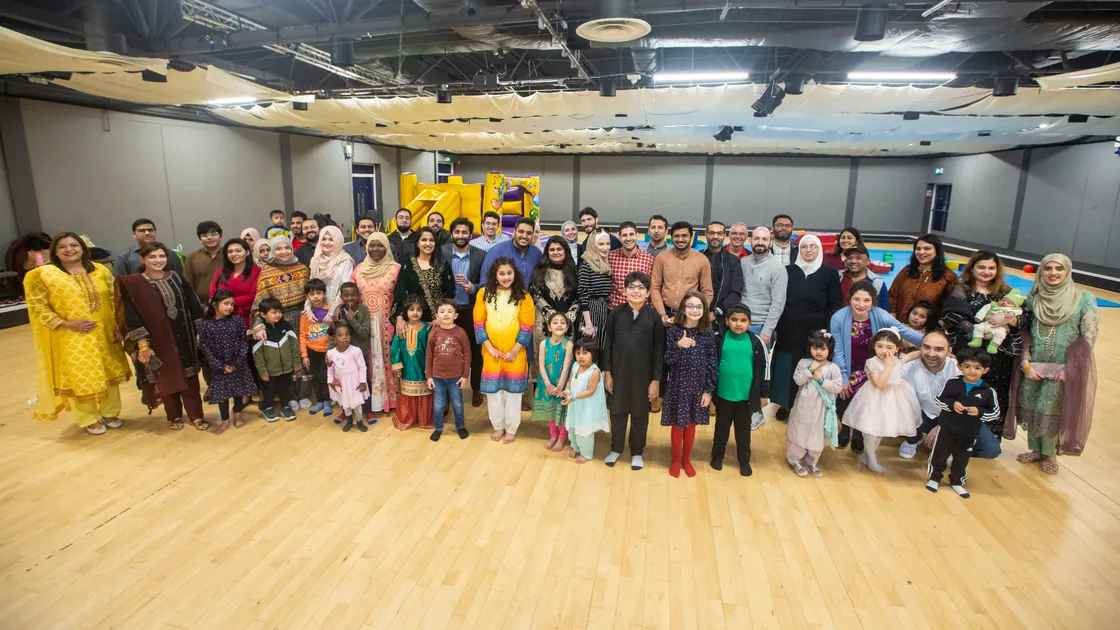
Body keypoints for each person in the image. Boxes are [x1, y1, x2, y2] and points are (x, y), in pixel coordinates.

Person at [25, 233, 132, 435]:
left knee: (109, 372)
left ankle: (110, 412)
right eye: (63, 246)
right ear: (55, 251)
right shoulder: (43, 275)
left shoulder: (100, 271)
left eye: (74, 245)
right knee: (81, 376)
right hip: (71, 336)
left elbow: (113, 300)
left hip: (104, 332)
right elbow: (38, 307)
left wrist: (119, 326)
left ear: (83, 249)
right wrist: (67, 323)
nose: (69, 249)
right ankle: (89, 418)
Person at [1008, 253, 1098, 474]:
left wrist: (1073, 367)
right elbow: (1025, 331)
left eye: (1059, 268)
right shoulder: (1033, 298)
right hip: (1035, 363)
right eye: (1048, 268)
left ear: (1068, 271)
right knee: (1031, 405)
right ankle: (1036, 450)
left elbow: (1088, 336)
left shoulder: (1083, 298)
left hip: (1063, 365)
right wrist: (1025, 360)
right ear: (1041, 272)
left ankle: (1050, 454)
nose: (1053, 273)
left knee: (1051, 409)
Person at [116, 243, 208, 431]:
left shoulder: (175, 277)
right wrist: (143, 345)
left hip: (185, 337)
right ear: (142, 259)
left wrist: (200, 332)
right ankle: (173, 416)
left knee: (190, 379)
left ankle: (196, 416)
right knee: (165, 378)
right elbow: (132, 316)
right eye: (152, 257)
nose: (158, 261)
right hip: (157, 341)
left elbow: (193, 305)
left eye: (161, 256)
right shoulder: (135, 284)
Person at [940, 251, 1024, 449]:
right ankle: (957, 435)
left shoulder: (1007, 293)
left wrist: (1009, 319)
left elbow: (1023, 317)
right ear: (972, 268)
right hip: (969, 350)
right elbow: (953, 317)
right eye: (982, 267)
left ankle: (989, 435)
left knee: (994, 392)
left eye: (991, 268)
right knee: (966, 389)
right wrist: (977, 330)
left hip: (998, 355)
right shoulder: (961, 290)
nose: (986, 272)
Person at [830, 281, 923, 452]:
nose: (861, 304)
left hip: (871, 366)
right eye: (856, 299)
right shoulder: (839, 318)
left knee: (866, 403)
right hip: (849, 365)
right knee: (845, 397)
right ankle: (844, 431)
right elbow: (839, 350)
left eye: (866, 300)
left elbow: (904, 331)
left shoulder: (881, 315)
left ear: (872, 301)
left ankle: (859, 434)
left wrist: (930, 343)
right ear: (850, 299)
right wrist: (843, 377)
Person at [770, 234, 841, 422]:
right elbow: (779, 299)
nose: (808, 250)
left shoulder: (830, 273)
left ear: (819, 250)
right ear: (798, 250)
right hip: (789, 327)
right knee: (788, 366)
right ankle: (785, 403)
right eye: (804, 247)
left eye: (813, 247)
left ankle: (808, 405)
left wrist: (825, 327)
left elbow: (834, 303)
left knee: (812, 365)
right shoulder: (788, 271)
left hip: (816, 329)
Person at [601, 271, 663, 471]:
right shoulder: (616, 313)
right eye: (632, 287)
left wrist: (655, 380)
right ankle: (616, 448)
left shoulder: (653, 317)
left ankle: (637, 451)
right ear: (624, 290)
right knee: (617, 412)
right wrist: (607, 372)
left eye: (641, 288)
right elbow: (608, 343)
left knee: (639, 414)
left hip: (643, 376)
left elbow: (658, 350)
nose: (636, 291)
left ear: (647, 293)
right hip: (618, 372)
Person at [840, 328, 921, 473]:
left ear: (897, 349)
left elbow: (915, 354)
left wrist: (930, 350)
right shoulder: (872, 362)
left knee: (880, 430)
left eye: (889, 347)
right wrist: (889, 366)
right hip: (874, 399)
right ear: (874, 346)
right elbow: (880, 384)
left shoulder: (900, 359)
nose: (884, 350)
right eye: (880, 346)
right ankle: (872, 458)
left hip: (894, 400)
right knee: (871, 430)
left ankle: (867, 456)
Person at [474, 257, 535, 444]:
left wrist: (516, 350)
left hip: (515, 353)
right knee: (493, 393)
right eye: (502, 273)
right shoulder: (484, 293)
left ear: (515, 274)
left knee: (513, 394)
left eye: (509, 273)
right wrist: (489, 348)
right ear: (495, 274)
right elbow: (478, 323)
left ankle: (511, 428)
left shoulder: (524, 296)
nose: (506, 277)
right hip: (491, 353)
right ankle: (498, 426)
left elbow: (527, 326)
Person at [925, 347, 999, 498]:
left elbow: (994, 413)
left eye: (977, 368)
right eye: (967, 366)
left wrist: (979, 412)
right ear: (959, 367)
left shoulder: (988, 391)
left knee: (961, 458)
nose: (972, 371)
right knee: (939, 454)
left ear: (985, 370)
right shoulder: (952, 383)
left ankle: (957, 482)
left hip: (969, 433)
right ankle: (934, 478)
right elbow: (939, 400)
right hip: (947, 429)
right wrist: (952, 405)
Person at [250, 235, 311, 411]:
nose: (283, 252)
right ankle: (289, 396)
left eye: (287, 248)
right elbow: (259, 303)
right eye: (278, 248)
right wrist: (259, 324)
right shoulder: (267, 272)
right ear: (273, 251)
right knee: (286, 358)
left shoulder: (302, 268)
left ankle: (304, 394)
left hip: (302, 318)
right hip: (280, 321)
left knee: (303, 355)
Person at [662, 292, 718, 478]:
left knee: (691, 424)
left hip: (698, 387)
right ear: (683, 309)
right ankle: (676, 460)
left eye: (699, 307)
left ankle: (686, 460)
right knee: (678, 424)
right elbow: (668, 360)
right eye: (691, 306)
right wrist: (678, 345)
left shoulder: (708, 333)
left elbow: (713, 363)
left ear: (704, 310)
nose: (695, 310)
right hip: (678, 386)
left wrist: (708, 391)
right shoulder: (674, 331)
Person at [710, 305, 768, 477]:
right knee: (721, 427)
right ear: (727, 321)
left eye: (743, 320)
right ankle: (717, 455)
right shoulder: (719, 338)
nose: (738, 324)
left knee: (743, 431)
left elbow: (765, 368)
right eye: (734, 319)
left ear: (750, 323)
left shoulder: (756, 342)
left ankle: (744, 460)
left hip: (746, 397)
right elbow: (711, 365)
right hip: (723, 394)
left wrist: (764, 393)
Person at [899, 330, 973, 460]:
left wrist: (943, 426)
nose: (931, 354)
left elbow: (967, 403)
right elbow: (887, 381)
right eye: (926, 347)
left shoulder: (959, 370)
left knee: (989, 449)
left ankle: (949, 443)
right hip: (921, 415)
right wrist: (907, 357)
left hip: (951, 416)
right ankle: (913, 438)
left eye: (938, 349)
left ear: (949, 351)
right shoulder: (909, 367)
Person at [352, 233, 401, 416]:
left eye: (380, 245)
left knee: (390, 361)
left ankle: (394, 400)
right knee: (368, 363)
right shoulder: (358, 270)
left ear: (387, 247)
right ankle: (372, 402)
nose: (375, 249)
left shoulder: (396, 269)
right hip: (364, 325)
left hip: (388, 323)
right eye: (372, 245)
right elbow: (349, 294)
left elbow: (402, 296)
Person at [786, 330, 843, 478]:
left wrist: (821, 379)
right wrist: (810, 370)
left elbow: (837, 387)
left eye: (822, 348)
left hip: (822, 409)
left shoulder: (833, 368)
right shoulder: (803, 363)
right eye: (815, 347)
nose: (818, 351)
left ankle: (812, 462)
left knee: (817, 435)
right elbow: (798, 380)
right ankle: (795, 460)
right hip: (803, 406)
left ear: (829, 350)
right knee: (799, 430)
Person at [199, 289, 256, 435]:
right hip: (219, 367)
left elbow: (244, 342)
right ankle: (224, 420)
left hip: (238, 364)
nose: (229, 307)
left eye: (231, 304)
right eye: (226, 303)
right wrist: (219, 366)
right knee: (222, 395)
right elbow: (205, 347)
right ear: (214, 304)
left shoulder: (237, 320)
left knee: (238, 392)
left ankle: (237, 414)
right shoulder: (206, 324)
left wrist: (237, 363)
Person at [444, 218, 487, 407]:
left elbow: (487, 283)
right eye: (457, 232)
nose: (460, 236)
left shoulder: (481, 255)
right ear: (452, 233)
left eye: (464, 232)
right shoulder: (442, 252)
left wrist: (474, 287)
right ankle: (446, 394)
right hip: (448, 311)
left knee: (476, 352)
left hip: (471, 310)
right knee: (446, 352)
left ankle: (477, 389)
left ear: (471, 235)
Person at [528, 237, 580, 387]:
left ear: (565, 251)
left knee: (565, 356)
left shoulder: (573, 270)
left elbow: (578, 295)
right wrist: (550, 314)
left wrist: (571, 314)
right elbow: (535, 293)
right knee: (543, 356)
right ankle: (541, 393)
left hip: (567, 321)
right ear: (547, 252)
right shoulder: (540, 270)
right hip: (543, 321)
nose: (556, 252)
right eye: (552, 249)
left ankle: (564, 392)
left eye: (559, 249)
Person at [426, 300, 472, 441]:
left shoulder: (460, 332)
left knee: (457, 403)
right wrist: (429, 376)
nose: (446, 314)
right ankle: (438, 428)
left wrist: (465, 376)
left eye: (449, 311)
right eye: (442, 311)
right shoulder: (433, 333)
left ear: (456, 315)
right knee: (439, 404)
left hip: (456, 377)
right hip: (437, 376)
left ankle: (460, 426)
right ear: (437, 315)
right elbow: (429, 355)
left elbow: (467, 354)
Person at [651, 221, 714, 325]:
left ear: (691, 237)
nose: (680, 239)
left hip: (690, 315)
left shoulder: (702, 260)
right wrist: (662, 313)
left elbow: (707, 292)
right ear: (671, 237)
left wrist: (698, 314)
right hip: (666, 313)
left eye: (684, 236)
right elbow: (654, 287)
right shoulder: (661, 258)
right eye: (676, 236)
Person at [394, 226, 455, 328]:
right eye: (424, 240)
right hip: (414, 322)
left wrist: (440, 318)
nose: (428, 243)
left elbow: (449, 293)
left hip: (439, 323)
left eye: (431, 240)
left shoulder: (442, 265)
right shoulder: (408, 265)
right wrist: (400, 318)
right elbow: (400, 293)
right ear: (417, 243)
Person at [560, 338, 610, 464]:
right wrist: (567, 390)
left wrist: (574, 396)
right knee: (573, 426)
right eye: (577, 353)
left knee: (584, 430)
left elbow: (590, 391)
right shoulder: (576, 366)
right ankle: (576, 447)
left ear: (593, 354)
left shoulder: (594, 372)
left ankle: (586, 453)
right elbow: (571, 380)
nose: (580, 356)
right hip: (575, 403)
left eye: (585, 353)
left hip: (586, 407)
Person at [888, 234, 958, 320]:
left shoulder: (948, 277)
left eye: (927, 248)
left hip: (927, 329)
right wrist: (892, 314)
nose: (921, 252)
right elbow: (892, 295)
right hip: (900, 325)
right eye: (918, 249)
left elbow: (950, 306)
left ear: (937, 250)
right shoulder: (906, 271)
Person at [252, 297, 300, 422]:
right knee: (268, 390)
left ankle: (285, 406)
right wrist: (262, 371)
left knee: (285, 388)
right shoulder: (259, 332)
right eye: (273, 312)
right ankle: (268, 407)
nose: (277, 315)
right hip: (268, 370)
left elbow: (294, 345)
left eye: (279, 311)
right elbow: (257, 355)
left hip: (286, 368)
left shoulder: (286, 325)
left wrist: (296, 362)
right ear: (263, 314)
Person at [391, 295, 434, 431]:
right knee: (407, 393)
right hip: (406, 367)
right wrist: (397, 365)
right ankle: (407, 418)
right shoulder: (401, 328)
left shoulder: (427, 328)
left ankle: (423, 419)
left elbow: (432, 348)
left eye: (418, 310)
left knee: (424, 392)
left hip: (423, 367)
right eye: (411, 309)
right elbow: (395, 348)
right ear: (405, 312)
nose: (415, 313)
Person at [332, 282, 373, 423]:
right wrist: (329, 354)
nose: (350, 297)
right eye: (346, 295)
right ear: (342, 296)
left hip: (358, 356)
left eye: (353, 294)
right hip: (342, 358)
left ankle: (368, 411)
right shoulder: (339, 312)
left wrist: (352, 320)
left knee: (363, 382)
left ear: (359, 296)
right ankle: (345, 411)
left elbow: (364, 333)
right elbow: (334, 336)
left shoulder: (363, 311)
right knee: (343, 385)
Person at [533, 312, 574, 451]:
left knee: (562, 409)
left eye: (563, 322)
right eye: (555, 322)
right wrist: (549, 385)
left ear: (567, 327)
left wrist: (560, 386)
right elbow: (541, 365)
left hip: (563, 382)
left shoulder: (569, 345)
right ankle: (553, 435)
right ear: (549, 327)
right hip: (547, 382)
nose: (559, 325)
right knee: (551, 409)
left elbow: (567, 368)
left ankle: (562, 438)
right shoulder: (543, 343)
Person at [740, 225, 786, 346]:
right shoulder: (743, 262)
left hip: (760, 327)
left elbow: (778, 303)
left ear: (771, 242)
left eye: (764, 239)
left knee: (757, 365)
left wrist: (767, 331)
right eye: (756, 238)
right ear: (750, 241)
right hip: (739, 322)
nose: (760, 242)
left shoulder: (777, 268)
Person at [702, 221, 744, 331]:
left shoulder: (733, 261)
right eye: (712, 233)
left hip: (721, 319)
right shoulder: (697, 257)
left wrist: (716, 313)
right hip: (696, 315)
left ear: (724, 236)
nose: (715, 237)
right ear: (706, 234)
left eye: (719, 233)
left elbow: (736, 293)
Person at [328, 322, 370, 433]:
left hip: (354, 382)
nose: (344, 337)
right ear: (335, 339)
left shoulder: (356, 351)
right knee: (346, 404)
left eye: (346, 335)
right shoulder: (331, 353)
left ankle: (360, 422)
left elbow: (362, 367)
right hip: (342, 383)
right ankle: (349, 421)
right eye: (340, 335)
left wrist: (362, 381)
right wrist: (330, 381)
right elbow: (330, 369)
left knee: (357, 404)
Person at [300, 278, 334, 415]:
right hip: (311, 351)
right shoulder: (305, 316)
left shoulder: (330, 310)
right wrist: (304, 355)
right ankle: (319, 401)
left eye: (318, 293)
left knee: (324, 376)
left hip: (327, 351)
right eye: (312, 294)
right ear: (307, 297)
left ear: (324, 294)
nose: (315, 297)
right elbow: (302, 335)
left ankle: (327, 401)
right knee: (314, 376)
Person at [210, 238, 260, 329]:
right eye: (230, 251)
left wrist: (225, 303)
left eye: (238, 251)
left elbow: (252, 296)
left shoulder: (257, 272)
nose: (234, 254)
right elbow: (213, 295)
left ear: (247, 252)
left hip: (245, 319)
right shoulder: (219, 272)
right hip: (221, 321)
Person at [480, 218, 542, 289]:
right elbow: (485, 283)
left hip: (530, 299)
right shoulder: (497, 251)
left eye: (529, 233)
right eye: (521, 231)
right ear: (514, 232)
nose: (524, 236)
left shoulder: (537, 254)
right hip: (501, 298)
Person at [578, 231, 613, 351]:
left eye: (608, 244)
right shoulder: (587, 265)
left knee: (602, 347)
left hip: (604, 310)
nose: (605, 248)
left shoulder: (606, 264)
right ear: (593, 245)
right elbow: (582, 294)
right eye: (601, 244)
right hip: (591, 311)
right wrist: (588, 323)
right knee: (589, 350)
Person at [113, 218, 185, 277]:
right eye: (142, 231)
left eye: (150, 230)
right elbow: (120, 284)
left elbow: (180, 278)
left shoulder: (170, 254)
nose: (147, 233)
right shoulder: (124, 258)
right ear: (134, 234)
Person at [607, 221, 654, 309]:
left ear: (637, 235)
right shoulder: (610, 257)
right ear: (619, 237)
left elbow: (652, 288)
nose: (628, 238)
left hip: (641, 311)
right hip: (616, 311)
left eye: (631, 234)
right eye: (624, 235)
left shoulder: (649, 259)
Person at [308, 225, 355, 305]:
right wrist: (308, 309)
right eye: (323, 239)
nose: (326, 243)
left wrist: (331, 312)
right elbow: (311, 287)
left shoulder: (345, 261)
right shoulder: (315, 260)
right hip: (318, 308)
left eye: (331, 239)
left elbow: (344, 290)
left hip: (338, 310)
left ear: (338, 241)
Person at [839, 245, 889, 311]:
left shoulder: (877, 282)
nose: (853, 261)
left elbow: (884, 310)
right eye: (850, 258)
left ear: (867, 262)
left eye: (858, 258)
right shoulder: (837, 277)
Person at [184, 221, 224, 304]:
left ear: (221, 236)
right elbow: (188, 285)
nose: (209, 237)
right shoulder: (192, 257)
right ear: (200, 239)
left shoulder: (229, 255)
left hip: (228, 304)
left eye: (213, 234)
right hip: (201, 305)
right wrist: (200, 306)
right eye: (205, 235)